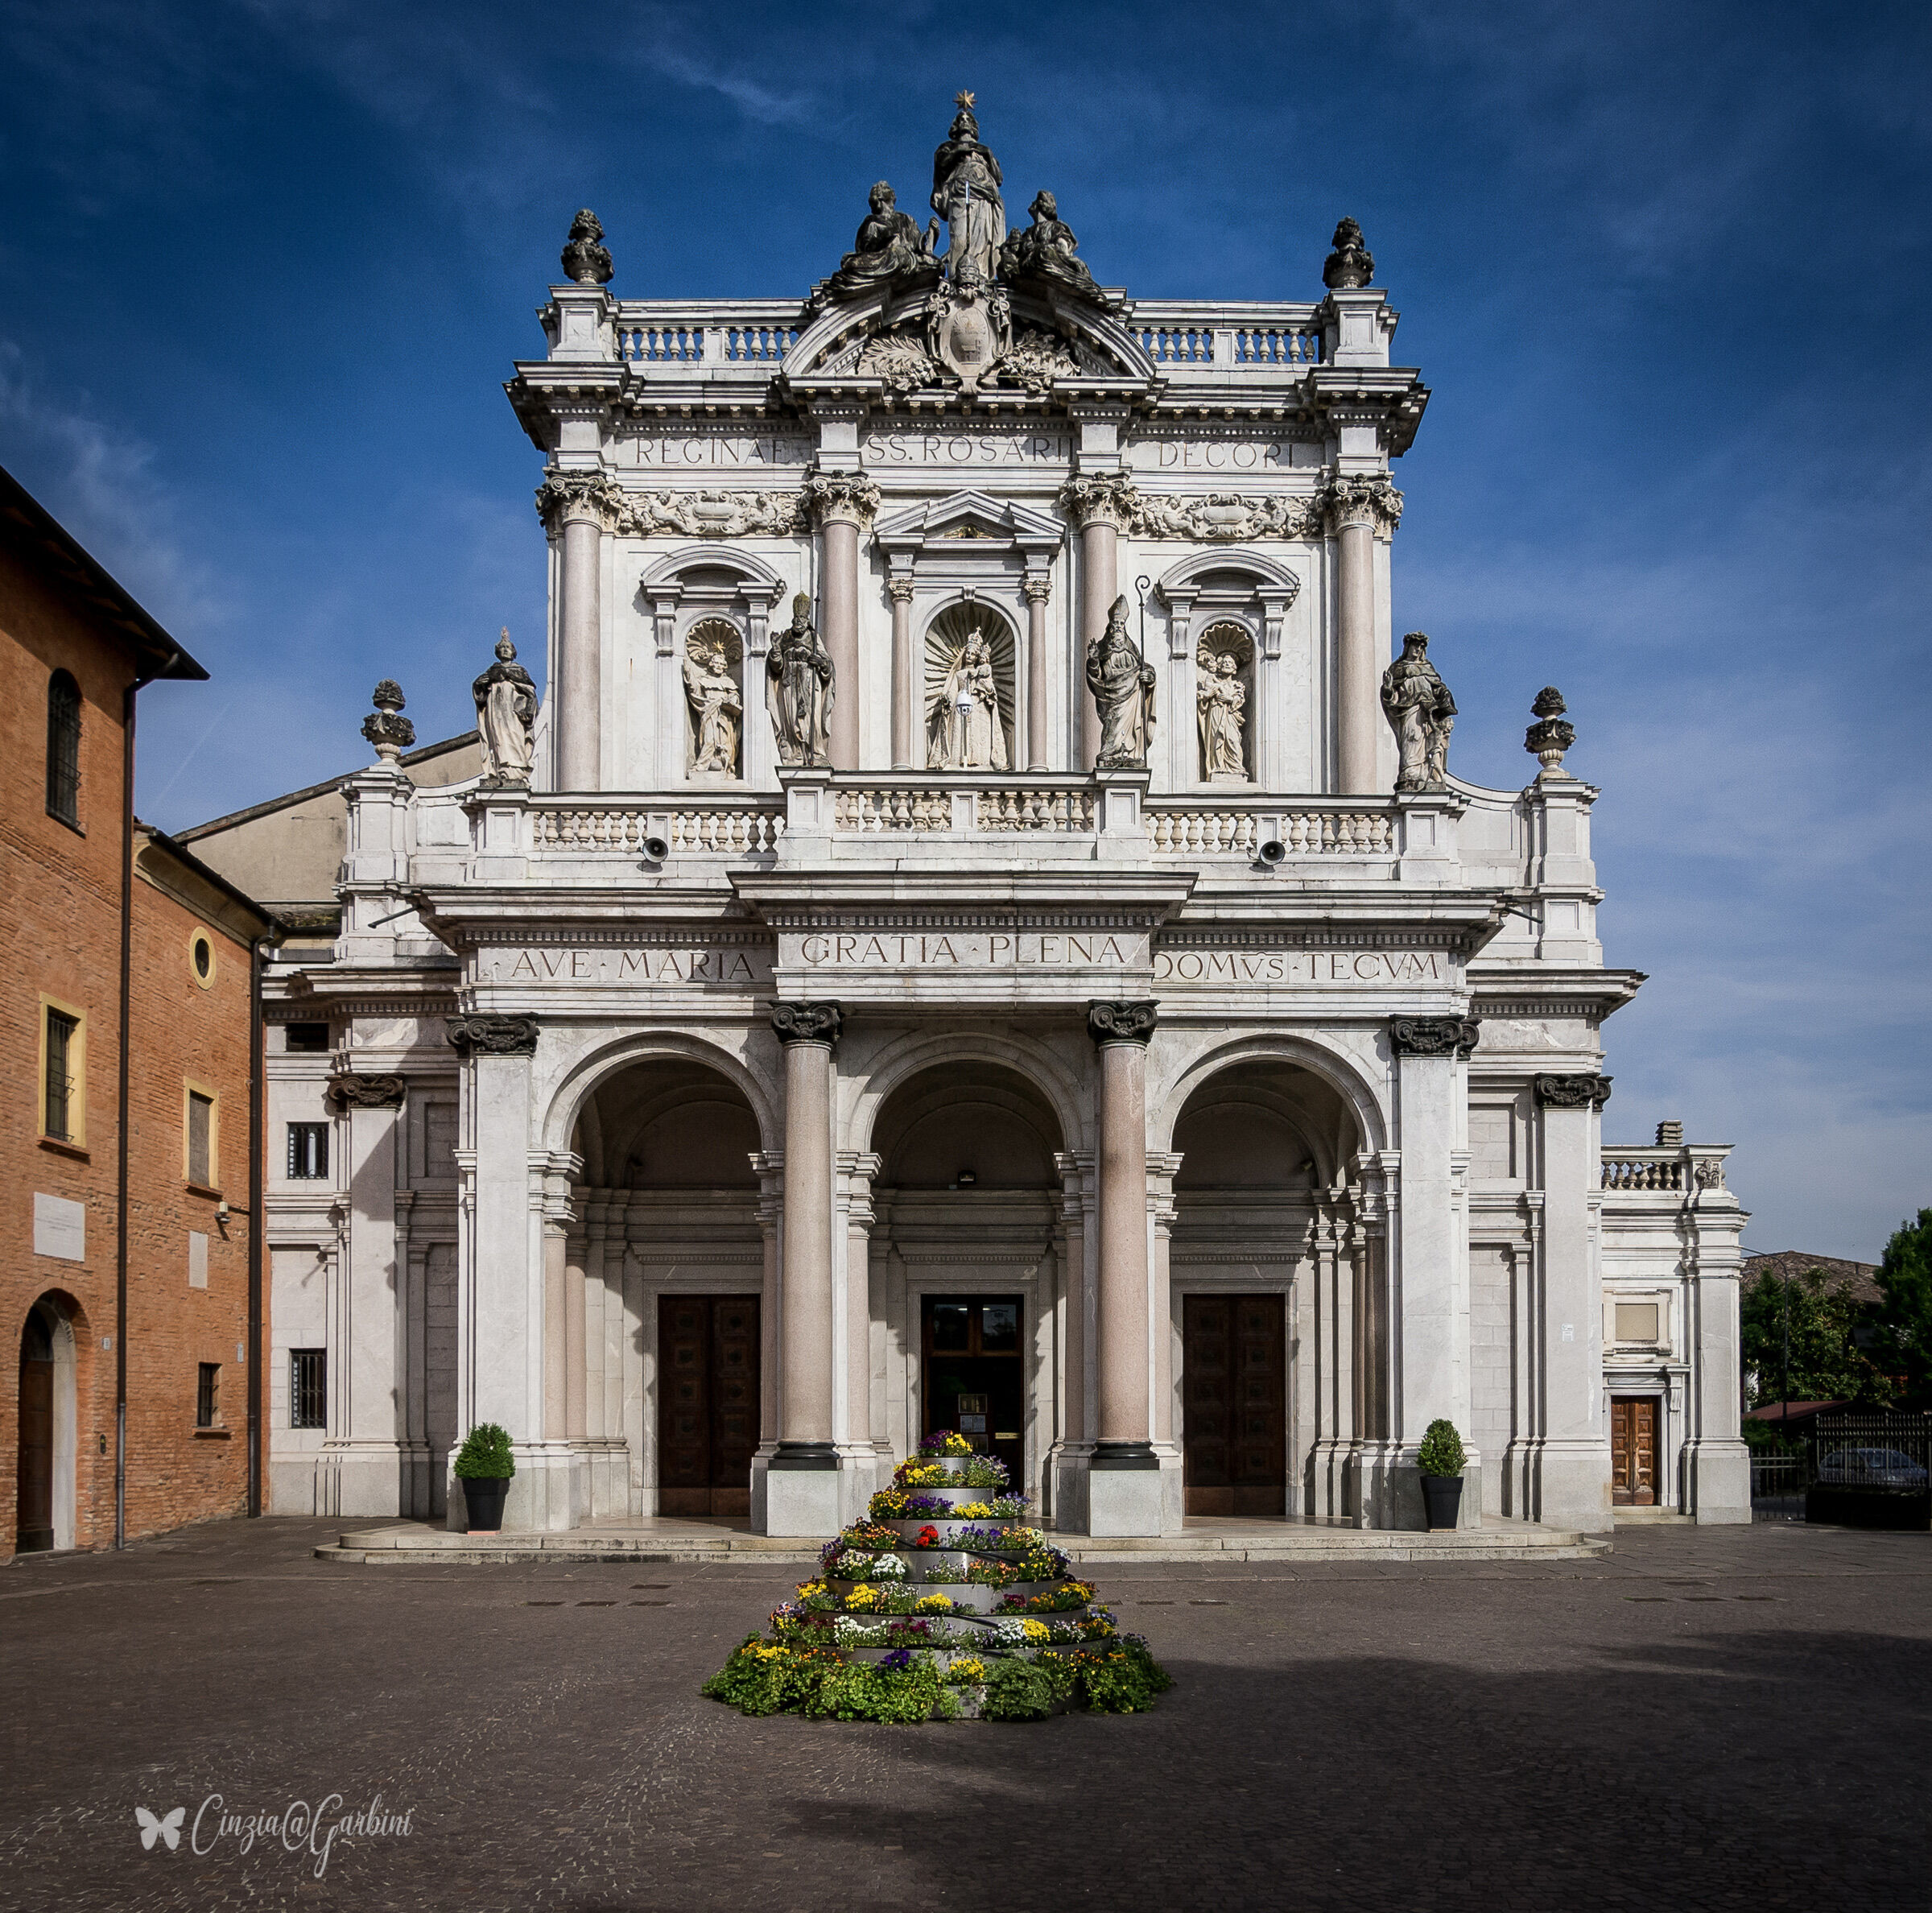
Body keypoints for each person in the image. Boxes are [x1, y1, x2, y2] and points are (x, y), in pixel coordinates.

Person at [931, 93, 1005, 282]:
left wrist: (987, 154)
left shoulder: (984, 151)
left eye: (968, 120)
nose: (965, 122)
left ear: (974, 126)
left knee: (984, 239)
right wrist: (961, 149)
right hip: (960, 191)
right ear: (955, 126)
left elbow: (998, 178)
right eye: (961, 120)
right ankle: (958, 276)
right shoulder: (948, 148)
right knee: (960, 235)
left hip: (986, 194)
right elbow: (942, 165)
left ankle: (982, 277)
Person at [1380, 631, 1457, 791]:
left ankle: (1427, 775)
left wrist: (1444, 694)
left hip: (1428, 712)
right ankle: (1410, 775)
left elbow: (1438, 688)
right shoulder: (1398, 669)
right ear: (1408, 647)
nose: (1418, 649)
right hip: (1409, 710)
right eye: (1415, 645)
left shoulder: (1427, 667)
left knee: (1428, 743)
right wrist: (1388, 689)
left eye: (1421, 647)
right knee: (1412, 739)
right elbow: (1392, 698)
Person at [1086, 595, 1157, 769]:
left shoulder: (1131, 649)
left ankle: (1129, 755)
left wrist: (1149, 677)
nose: (1118, 627)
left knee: (1129, 730)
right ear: (1110, 628)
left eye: (1121, 624)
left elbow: (1144, 667)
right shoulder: (1102, 649)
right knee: (1113, 725)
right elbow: (1097, 675)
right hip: (1111, 695)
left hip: (1131, 696)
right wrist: (1094, 660)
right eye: (1115, 624)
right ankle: (1111, 753)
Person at [766, 595, 833, 767]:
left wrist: (821, 663)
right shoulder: (785, 638)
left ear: (807, 619)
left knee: (813, 720)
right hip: (789, 686)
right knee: (791, 720)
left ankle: (815, 753)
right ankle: (795, 753)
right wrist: (775, 650)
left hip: (810, 684)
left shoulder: (813, 637)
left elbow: (828, 665)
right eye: (797, 617)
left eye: (802, 617)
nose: (799, 621)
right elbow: (776, 668)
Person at [473, 629, 537, 783]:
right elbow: (480, 695)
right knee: (498, 738)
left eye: (508, 647)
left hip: (514, 714)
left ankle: (516, 771)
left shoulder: (520, 672)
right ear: (497, 652)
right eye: (502, 647)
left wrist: (527, 710)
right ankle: (499, 770)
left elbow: (530, 693)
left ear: (513, 652)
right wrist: (479, 685)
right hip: (496, 712)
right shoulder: (492, 672)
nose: (505, 650)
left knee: (514, 736)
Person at [684, 639, 741, 775]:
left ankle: (727, 766)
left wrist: (732, 700)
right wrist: (688, 673)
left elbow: (735, 696)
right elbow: (695, 691)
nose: (719, 666)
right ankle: (702, 764)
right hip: (710, 712)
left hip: (725, 715)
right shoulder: (704, 680)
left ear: (725, 666)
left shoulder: (728, 682)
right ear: (711, 664)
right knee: (709, 740)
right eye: (716, 663)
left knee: (726, 742)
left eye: (721, 664)